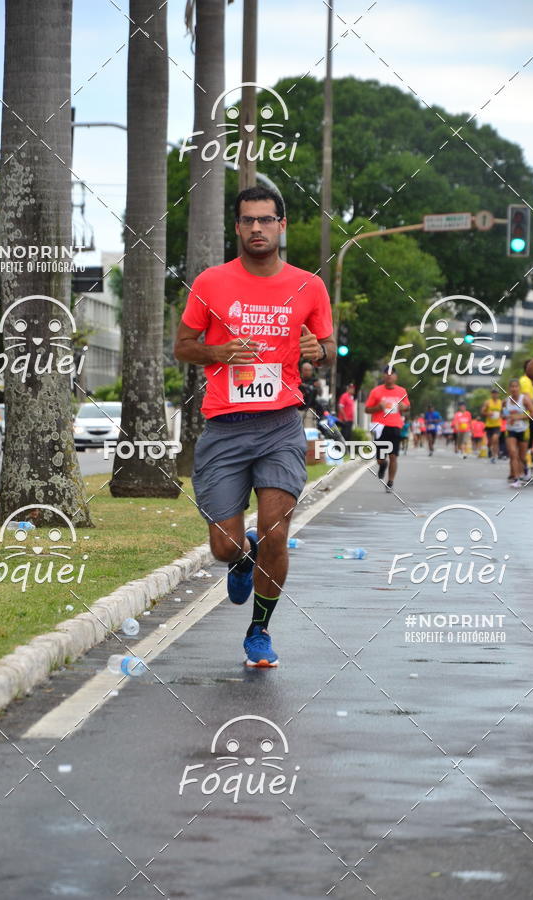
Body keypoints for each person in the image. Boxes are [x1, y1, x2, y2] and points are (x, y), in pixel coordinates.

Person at [174, 185, 335, 668]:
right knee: (224, 546)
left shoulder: (309, 285)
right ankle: (241, 558)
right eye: (248, 220)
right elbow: (183, 345)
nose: (257, 228)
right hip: (225, 426)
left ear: (282, 226)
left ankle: (259, 631)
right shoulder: (211, 282)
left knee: (275, 533)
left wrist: (318, 353)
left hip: (281, 425)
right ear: (237, 227)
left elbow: (324, 349)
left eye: (267, 219)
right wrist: (215, 352)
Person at [365, 366, 410, 492]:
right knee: (380, 458)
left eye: (392, 374)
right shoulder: (376, 391)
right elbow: (367, 409)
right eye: (387, 374)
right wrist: (378, 407)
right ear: (383, 376)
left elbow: (407, 407)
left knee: (393, 456)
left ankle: (390, 482)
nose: (389, 376)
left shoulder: (401, 391)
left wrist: (403, 407)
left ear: (396, 377)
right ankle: (382, 465)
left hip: (395, 426)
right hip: (380, 427)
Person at [503, 378, 533, 488]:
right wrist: (507, 417)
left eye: (516, 386)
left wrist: (519, 417)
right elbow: (503, 414)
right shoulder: (506, 401)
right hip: (510, 430)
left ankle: (526, 470)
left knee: (522, 457)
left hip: (523, 430)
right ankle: (516, 479)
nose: (514, 388)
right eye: (512, 386)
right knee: (513, 454)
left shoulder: (524, 400)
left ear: (519, 388)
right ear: (509, 389)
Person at [519, 360, 533, 465]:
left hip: (528, 415)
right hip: (527, 415)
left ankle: (525, 465)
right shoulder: (525, 380)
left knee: (528, 441)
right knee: (526, 441)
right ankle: (524, 465)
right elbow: (526, 396)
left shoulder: (528, 381)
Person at [298, 361, 323, 429]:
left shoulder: (314, 380)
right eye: (306, 370)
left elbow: (320, 393)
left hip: (310, 408)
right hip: (297, 409)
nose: (308, 372)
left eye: (309, 370)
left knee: (309, 428)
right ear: (302, 370)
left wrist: (318, 387)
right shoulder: (298, 379)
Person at [481, 389, 503, 464]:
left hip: (497, 425)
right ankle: (490, 450)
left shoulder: (501, 402)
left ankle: (494, 456)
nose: (495, 395)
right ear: (491, 394)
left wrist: (501, 415)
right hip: (489, 425)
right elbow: (482, 412)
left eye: (496, 393)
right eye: (493, 393)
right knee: (490, 442)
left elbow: (504, 412)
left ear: (498, 394)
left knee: (495, 439)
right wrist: (488, 414)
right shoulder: (488, 402)